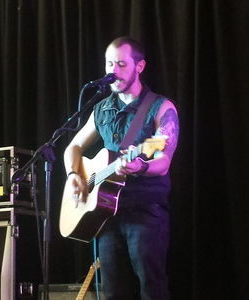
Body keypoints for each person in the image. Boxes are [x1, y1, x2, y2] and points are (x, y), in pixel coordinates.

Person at [63, 36, 179, 300]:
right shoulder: (101, 109)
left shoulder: (161, 108)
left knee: (152, 288)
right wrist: (73, 175)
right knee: (112, 292)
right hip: (107, 216)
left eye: (121, 64)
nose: (113, 71)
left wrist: (139, 166)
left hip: (145, 212)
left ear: (139, 66)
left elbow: (162, 162)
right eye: (109, 63)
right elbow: (73, 147)